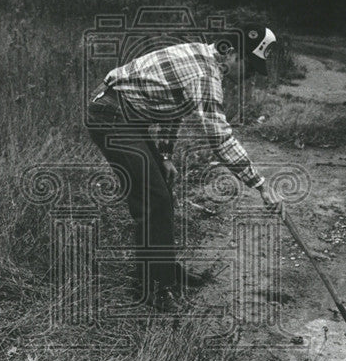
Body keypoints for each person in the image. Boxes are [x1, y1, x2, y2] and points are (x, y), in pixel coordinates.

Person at [87, 25, 284, 312]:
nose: (251, 74)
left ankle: (163, 270)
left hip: (126, 115)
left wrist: (165, 155)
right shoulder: (205, 74)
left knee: (160, 192)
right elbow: (220, 138)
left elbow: (174, 105)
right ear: (229, 52)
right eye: (249, 66)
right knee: (154, 200)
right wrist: (261, 185)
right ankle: (151, 287)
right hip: (110, 115)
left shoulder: (202, 59)